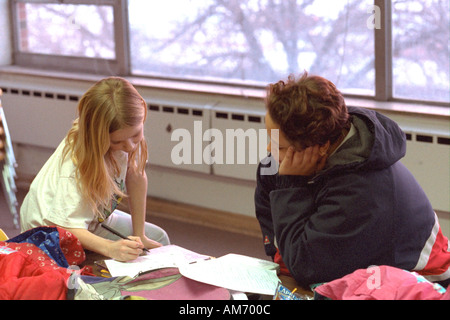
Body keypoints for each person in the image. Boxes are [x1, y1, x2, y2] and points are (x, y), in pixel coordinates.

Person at [255, 72, 450, 287]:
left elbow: (306, 266)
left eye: (279, 146)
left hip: (423, 281)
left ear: (321, 147)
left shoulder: (362, 190)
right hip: (356, 268)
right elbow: (280, 241)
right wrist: (282, 263)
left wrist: (291, 185)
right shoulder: (295, 158)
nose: (269, 150)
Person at [20, 77, 170, 262]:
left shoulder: (125, 139)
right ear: (98, 136)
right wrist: (110, 248)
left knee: (158, 239)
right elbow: (64, 225)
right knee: (120, 262)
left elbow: (136, 174)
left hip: (89, 220)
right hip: (47, 236)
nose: (130, 146)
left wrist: (140, 235)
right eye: (117, 142)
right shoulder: (75, 165)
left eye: (136, 135)